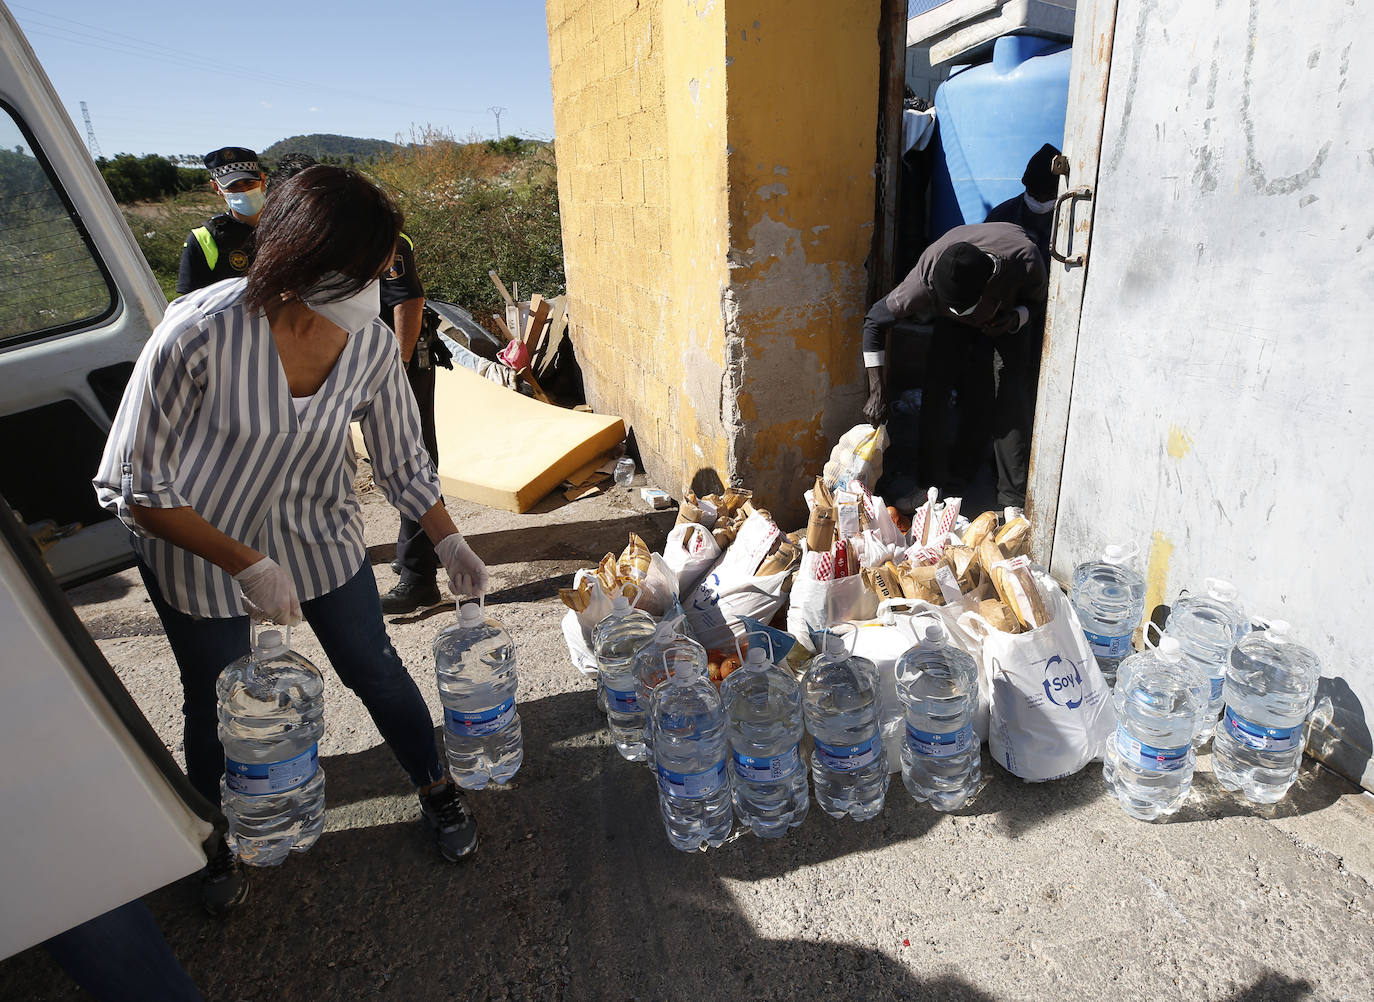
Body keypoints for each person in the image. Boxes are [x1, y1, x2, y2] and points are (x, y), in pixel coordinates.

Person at [94, 165, 489, 917]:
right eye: (367, 271)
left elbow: (402, 458)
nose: (378, 287)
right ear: (304, 261)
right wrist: (243, 562)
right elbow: (133, 485)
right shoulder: (198, 333)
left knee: (373, 665)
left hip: (317, 536)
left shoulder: (370, 344)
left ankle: (436, 789)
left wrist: (448, 541)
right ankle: (214, 838)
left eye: (383, 272)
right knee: (217, 701)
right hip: (199, 545)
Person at [272, 154, 443, 614]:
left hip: (393, 359)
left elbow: (406, 465)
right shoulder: (209, 332)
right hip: (220, 570)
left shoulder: (373, 335)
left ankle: (417, 572)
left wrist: (397, 372)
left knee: (413, 450)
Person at [862, 222, 1047, 508]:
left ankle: (1011, 502)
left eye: (968, 311)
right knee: (937, 386)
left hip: (1006, 318)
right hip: (953, 317)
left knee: (1008, 396)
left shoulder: (1024, 259)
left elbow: (1039, 302)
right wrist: (877, 389)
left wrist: (1015, 318)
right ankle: (929, 487)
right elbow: (875, 320)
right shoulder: (924, 280)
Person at [176, 146, 267, 294]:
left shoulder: (287, 226)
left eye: (249, 183)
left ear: (262, 180)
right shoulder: (203, 239)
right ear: (216, 188)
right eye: (233, 187)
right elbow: (190, 305)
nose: (244, 191)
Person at [985, 143, 1061, 267]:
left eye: (1047, 197)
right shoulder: (1001, 217)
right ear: (1026, 187)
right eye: (1035, 195)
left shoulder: (1071, 220)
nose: (1040, 202)